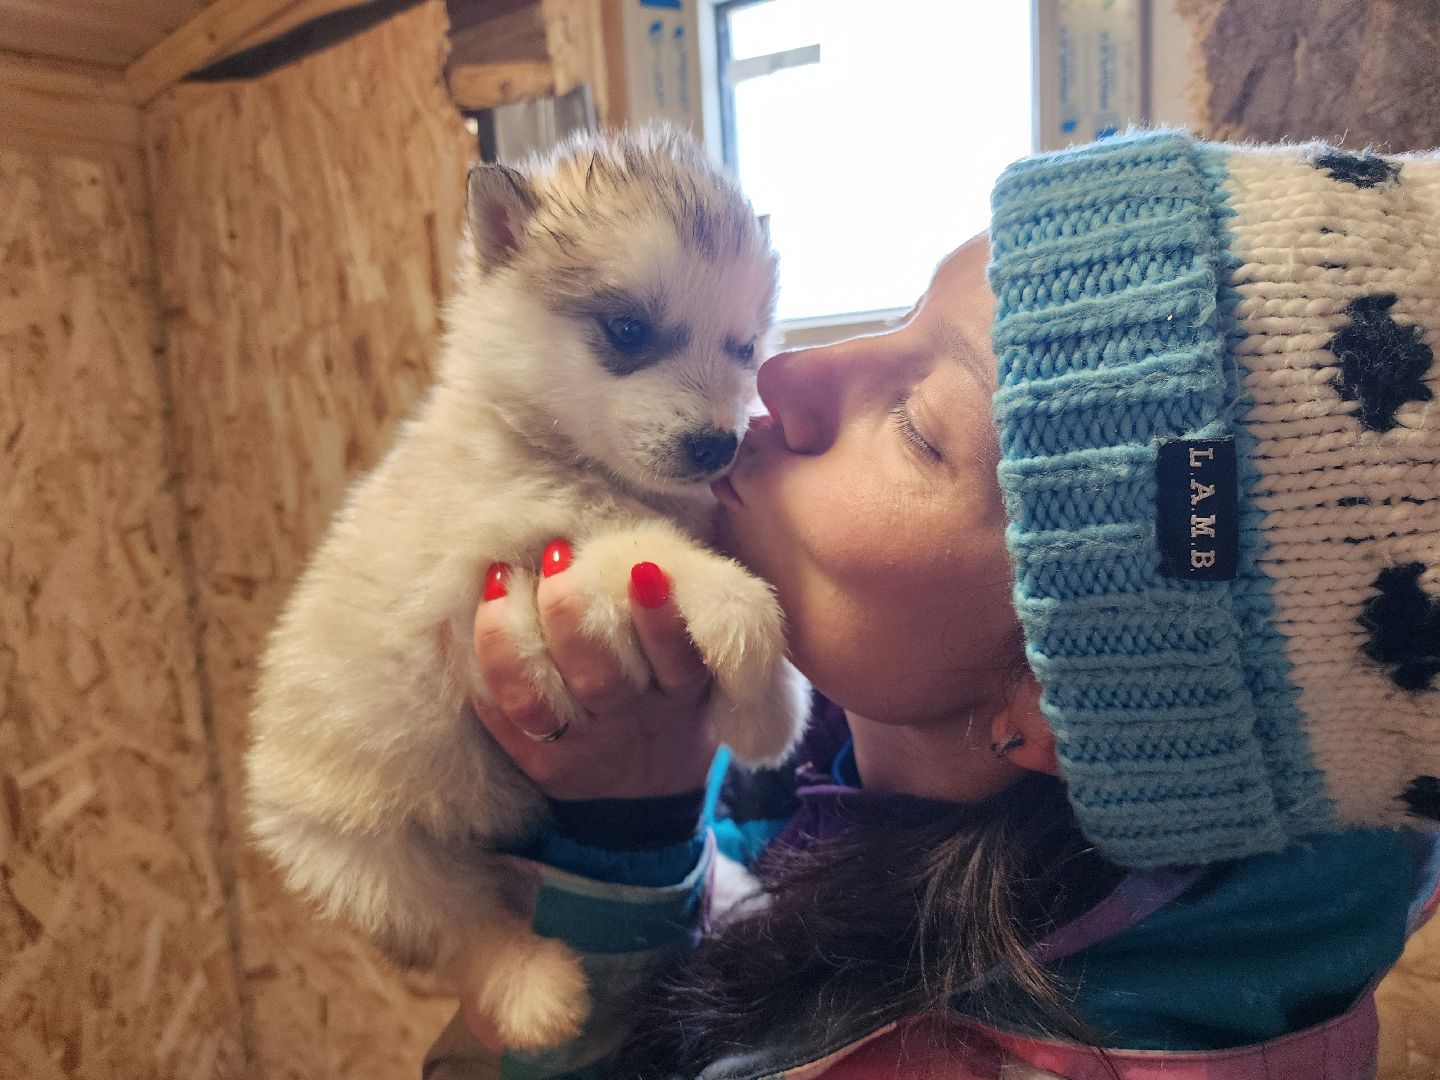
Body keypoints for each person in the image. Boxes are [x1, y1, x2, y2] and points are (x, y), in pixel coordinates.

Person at [424, 130, 1440, 1079]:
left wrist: (622, 844)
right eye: (902, 317)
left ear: (1050, 704)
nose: (781, 375)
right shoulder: (813, 735)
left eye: (916, 426)